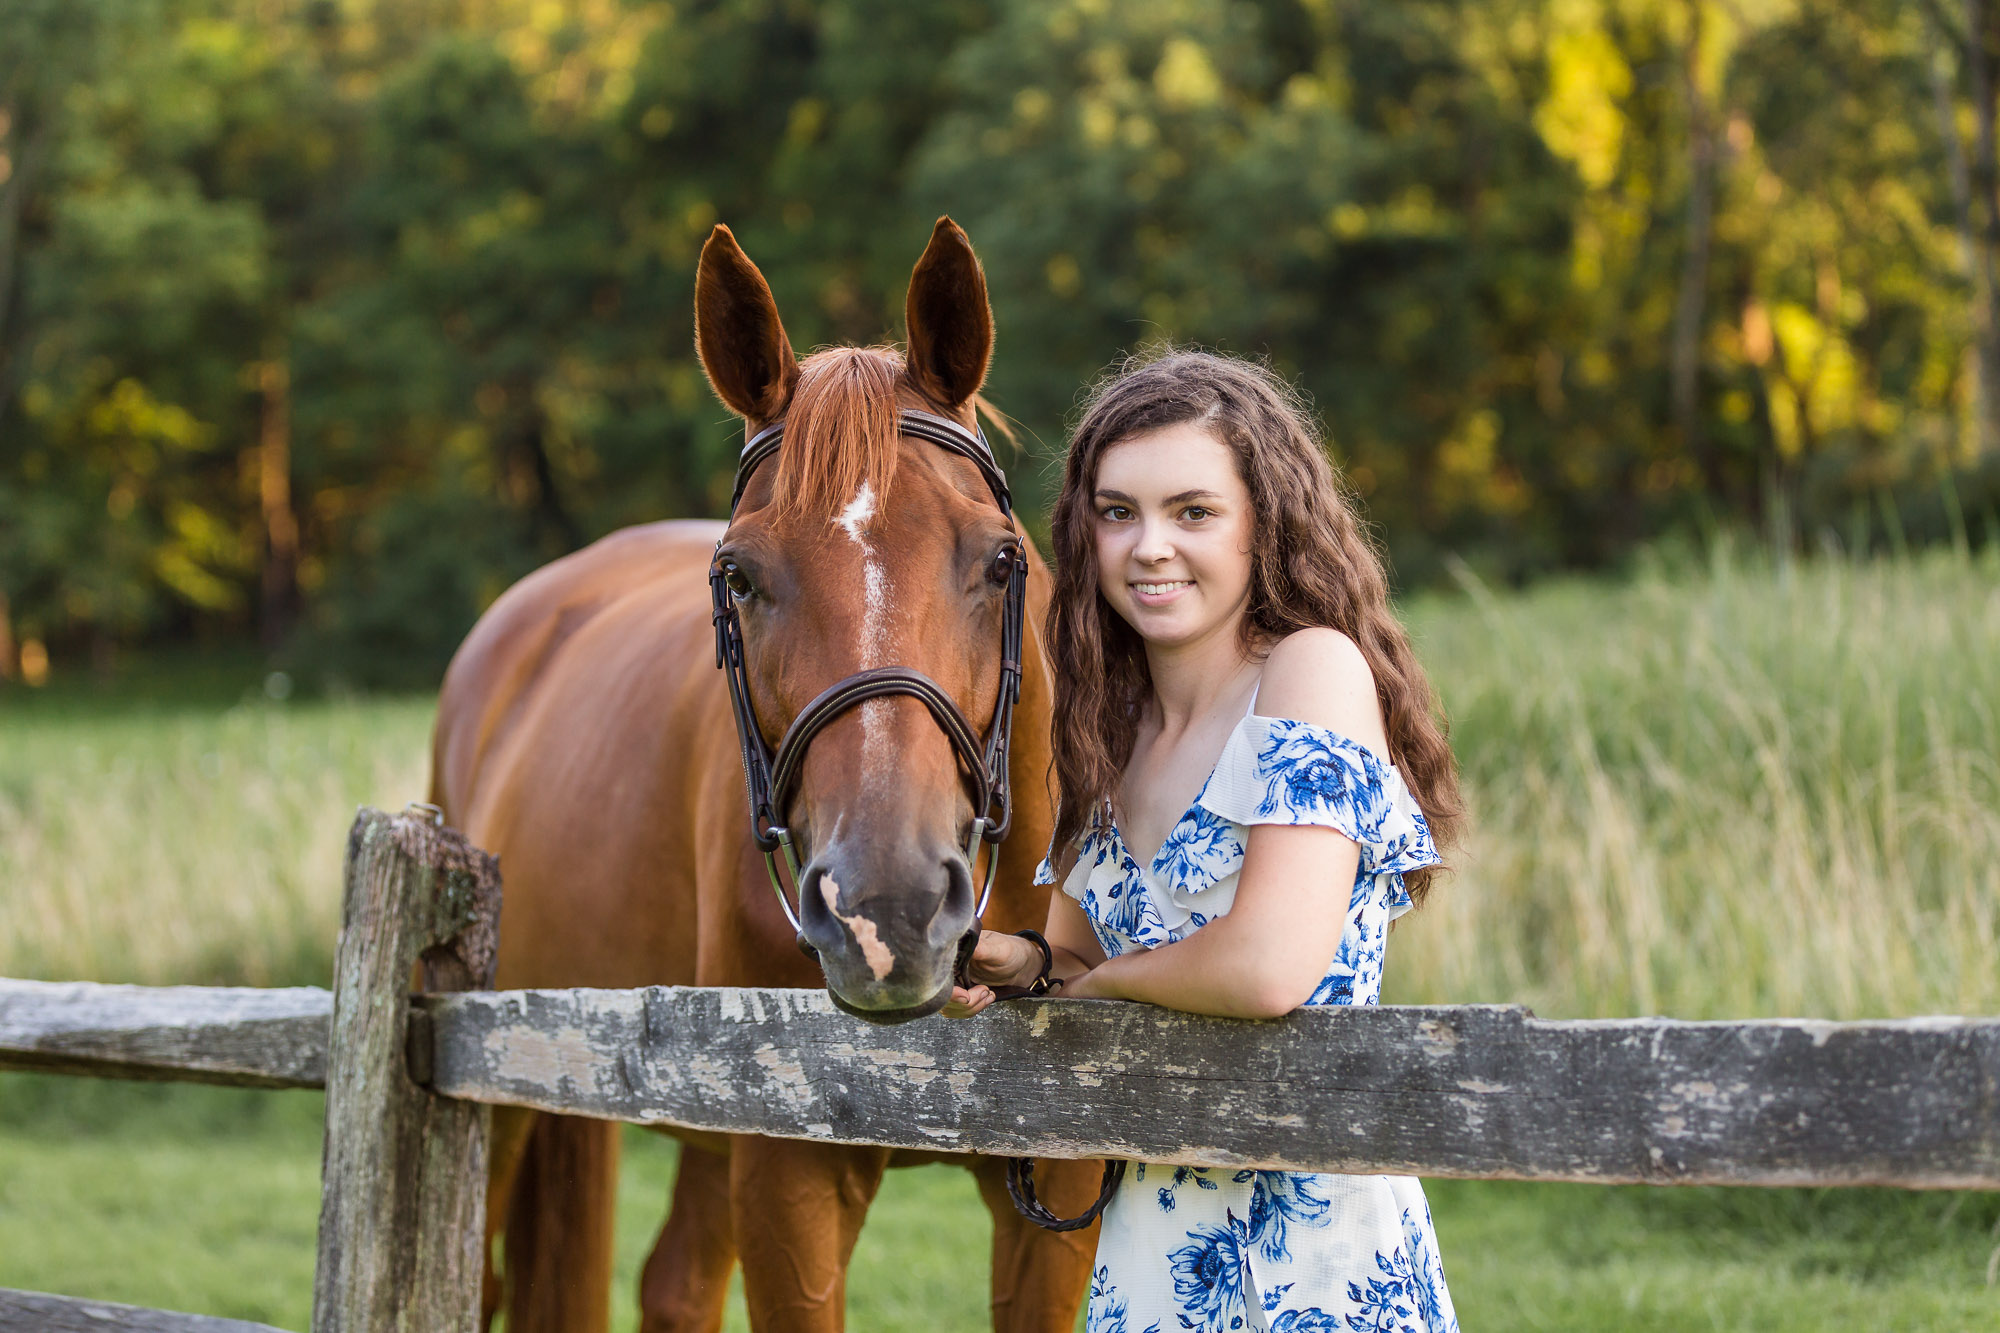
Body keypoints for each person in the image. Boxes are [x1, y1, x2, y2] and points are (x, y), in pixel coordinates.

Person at [944, 349, 1464, 1333]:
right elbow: (1080, 953)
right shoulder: (1105, 727)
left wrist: (1091, 986)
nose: (1147, 547)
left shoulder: (1309, 671)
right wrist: (1020, 960)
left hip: (1315, 1251)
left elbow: (1268, 966)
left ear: (1262, 520)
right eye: (1116, 512)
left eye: (1191, 511)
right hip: (1150, 1247)